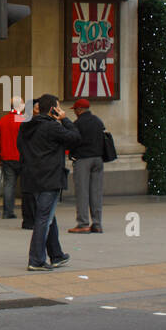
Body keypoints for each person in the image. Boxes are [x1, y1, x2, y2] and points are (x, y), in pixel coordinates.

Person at [18, 93, 80, 271]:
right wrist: (65, 119)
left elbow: (20, 147)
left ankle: (56, 255)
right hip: (50, 178)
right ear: (53, 109)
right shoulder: (52, 127)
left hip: (33, 177)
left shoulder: (26, 126)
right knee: (44, 218)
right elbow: (76, 138)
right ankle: (36, 260)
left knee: (48, 216)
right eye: (58, 107)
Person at [68, 97, 106, 234]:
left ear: (79, 110)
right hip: (98, 159)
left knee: (82, 192)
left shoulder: (77, 124)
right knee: (96, 192)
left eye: (75, 110)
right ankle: (97, 223)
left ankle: (83, 223)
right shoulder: (98, 121)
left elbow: (73, 141)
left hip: (83, 159)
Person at [0, 99, 27, 219]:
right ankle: (26, 211)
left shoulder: (3, 120)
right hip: (21, 156)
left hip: (6, 157)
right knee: (25, 185)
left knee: (9, 184)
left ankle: (7, 212)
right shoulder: (22, 119)